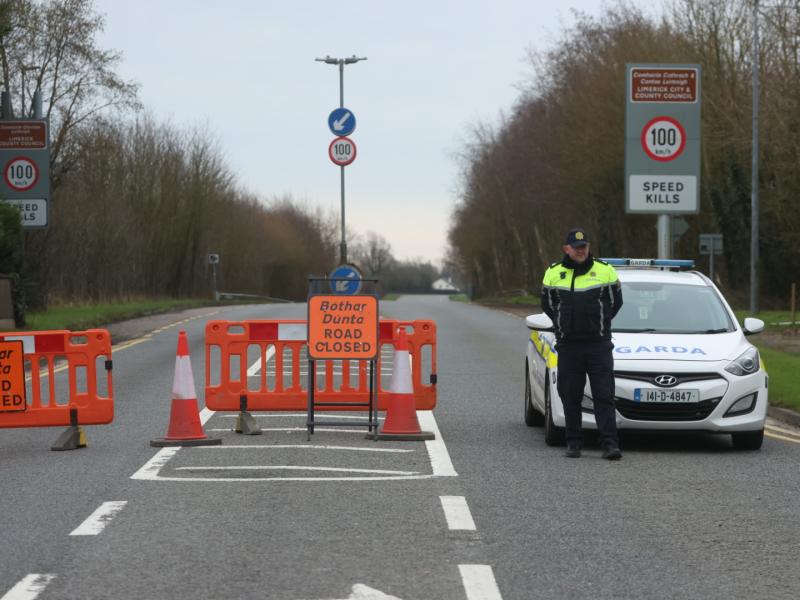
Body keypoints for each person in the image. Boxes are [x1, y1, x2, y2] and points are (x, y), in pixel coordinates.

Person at [540, 227, 623, 460]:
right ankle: (573, 443)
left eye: (584, 247)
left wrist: (600, 324)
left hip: (598, 344)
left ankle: (609, 444)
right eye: (576, 248)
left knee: (604, 395)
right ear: (566, 249)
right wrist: (562, 325)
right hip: (569, 345)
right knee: (570, 394)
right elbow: (547, 304)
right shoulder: (553, 273)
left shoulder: (605, 271)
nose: (580, 251)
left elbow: (616, 303)